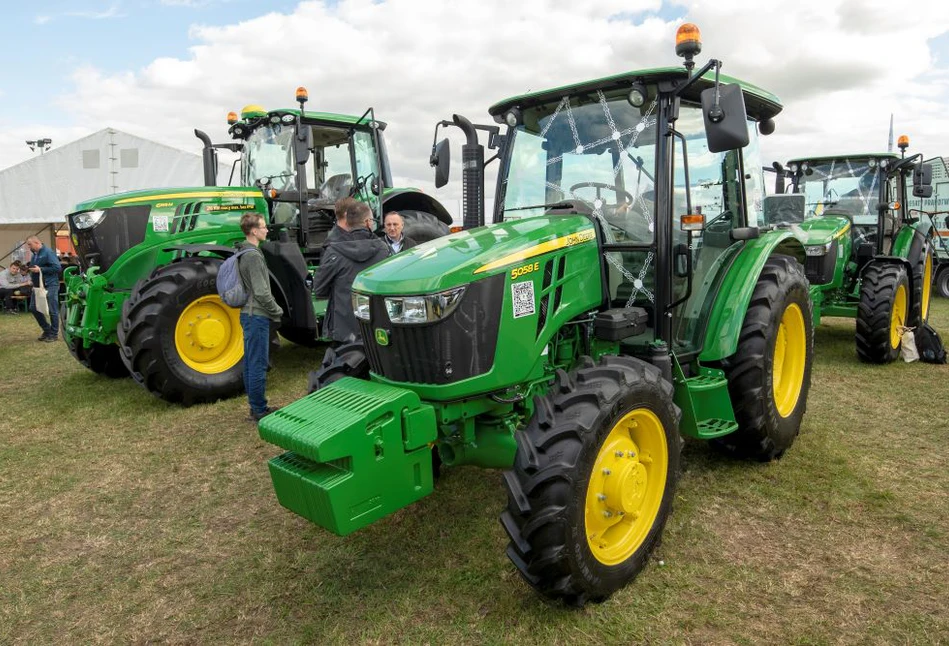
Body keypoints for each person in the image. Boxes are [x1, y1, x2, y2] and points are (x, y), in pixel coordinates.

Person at [313, 198, 389, 343]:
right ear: (367, 222)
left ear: (347, 222)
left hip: (344, 328)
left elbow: (319, 288)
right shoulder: (383, 250)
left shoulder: (333, 250)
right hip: (376, 324)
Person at [236, 212, 284, 422]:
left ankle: (255, 407)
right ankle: (259, 410)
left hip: (248, 314)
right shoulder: (254, 256)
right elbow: (262, 292)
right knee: (257, 363)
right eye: (263, 227)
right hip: (257, 316)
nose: (266, 230)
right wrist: (277, 311)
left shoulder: (244, 252)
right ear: (254, 231)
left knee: (250, 362)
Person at [25, 236, 62, 341]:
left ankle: (54, 334)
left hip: (51, 284)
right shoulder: (35, 255)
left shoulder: (48, 252)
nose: (29, 247)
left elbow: (57, 267)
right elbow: (35, 269)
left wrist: (41, 269)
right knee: (33, 307)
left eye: (30, 244)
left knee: (52, 309)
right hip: (38, 286)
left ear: (37, 242)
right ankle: (47, 330)